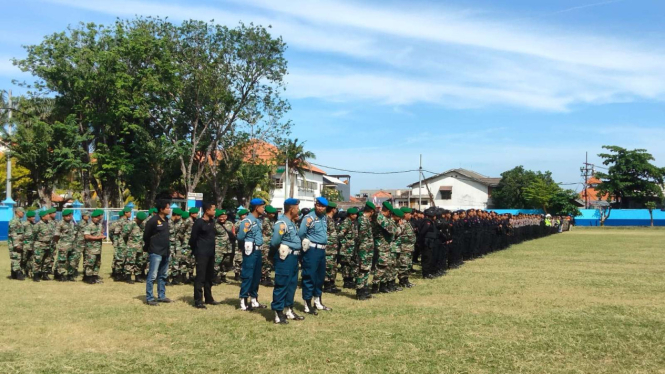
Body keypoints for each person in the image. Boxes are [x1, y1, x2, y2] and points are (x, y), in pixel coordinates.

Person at [270, 198, 305, 324]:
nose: (298, 210)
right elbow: (274, 242)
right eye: (297, 207)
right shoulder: (282, 223)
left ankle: (288, 309)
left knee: (291, 284)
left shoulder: (291, 222)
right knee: (282, 284)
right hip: (285, 257)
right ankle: (278, 312)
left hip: (294, 257)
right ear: (291, 209)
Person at [299, 196, 331, 314]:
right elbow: (301, 233)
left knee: (320, 277)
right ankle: (307, 304)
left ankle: (317, 301)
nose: (320, 208)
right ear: (315, 205)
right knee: (309, 276)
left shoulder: (324, 217)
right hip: (312, 249)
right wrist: (306, 242)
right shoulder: (309, 217)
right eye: (318, 205)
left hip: (321, 250)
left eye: (322, 206)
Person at [236, 199, 268, 311]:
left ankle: (254, 299)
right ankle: (243, 300)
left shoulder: (257, 220)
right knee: (248, 275)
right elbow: (240, 237)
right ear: (256, 207)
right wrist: (245, 246)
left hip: (258, 251)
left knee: (256, 276)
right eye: (262, 207)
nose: (264, 209)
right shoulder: (247, 221)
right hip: (251, 250)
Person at [190, 202, 220, 309]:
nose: (215, 211)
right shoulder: (198, 222)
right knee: (200, 277)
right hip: (201, 253)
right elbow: (193, 239)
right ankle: (198, 300)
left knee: (209, 277)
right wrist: (196, 250)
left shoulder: (212, 222)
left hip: (211, 253)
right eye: (213, 209)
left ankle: (209, 298)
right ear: (207, 210)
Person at [143, 201, 172, 306]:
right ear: (161, 209)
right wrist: (149, 247)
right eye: (168, 208)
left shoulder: (166, 220)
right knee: (152, 275)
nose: (169, 210)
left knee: (163, 275)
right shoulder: (153, 221)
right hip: (156, 251)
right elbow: (146, 236)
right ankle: (150, 298)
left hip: (165, 251)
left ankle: (161, 296)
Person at [355, 202, 376, 300]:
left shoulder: (366, 220)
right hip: (364, 249)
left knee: (366, 269)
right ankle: (360, 291)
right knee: (362, 270)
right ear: (371, 211)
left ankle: (365, 289)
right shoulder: (362, 220)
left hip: (367, 249)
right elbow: (362, 236)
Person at [124, 212, 148, 284]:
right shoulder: (131, 224)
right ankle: (128, 277)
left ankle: (138, 277)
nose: (141, 221)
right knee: (130, 262)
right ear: (136, 218)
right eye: (140, 220)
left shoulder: (143, 224)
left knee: (139, 262)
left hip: (140, 247)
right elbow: (124, 235)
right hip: (131, 247)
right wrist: (129, 243)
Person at [338, 207, 359, 289]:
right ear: (350, 215)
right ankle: (347, 282)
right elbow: (340, 234)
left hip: (352, 247)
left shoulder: (352, 222)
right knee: (346, 265)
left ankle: (350, 280)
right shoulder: (346, 222)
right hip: (347, 248)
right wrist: (345, 243)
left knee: (351, 264)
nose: (356, 216)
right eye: (354, 214)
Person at [83, 209, 105, 284]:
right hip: (90, 248)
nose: (96, 219)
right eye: (94, 218)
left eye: (97, 218)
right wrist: (97, 238)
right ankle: (88, 278)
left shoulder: (99, 225)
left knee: (97, 263)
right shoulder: (89, 226)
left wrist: (102, 236)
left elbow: (100, 233)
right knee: (90, 263)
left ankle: (94, 276)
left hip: (98, 248)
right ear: (92, 218)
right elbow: (86, 236)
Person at [53, 209, 76, 281]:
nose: (69, 217)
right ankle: (60, 274)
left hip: (72, 245)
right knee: (62, 260)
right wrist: (59, 244)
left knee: (71, 260)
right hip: (63, 245)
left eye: (70, 215)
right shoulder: (60, 223)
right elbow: (56, 235)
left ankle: (70, 274)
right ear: (63, 216)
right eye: (67, 216)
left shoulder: (72, 223)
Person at [324, 202, 341, 294]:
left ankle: (331, 284)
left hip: (333, 248)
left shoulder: (331, 219)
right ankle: (327, 285)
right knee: (328, 267)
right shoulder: (326, 219)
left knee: (333, 267)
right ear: (333, 209)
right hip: (328, 248)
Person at [31, 210, 53, 282]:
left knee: (47, 260)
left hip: (48, 245)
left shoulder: (50, 224)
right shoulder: (38, 225)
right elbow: (33, 236)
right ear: (43, 217)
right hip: (40, 245)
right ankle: (36, 275)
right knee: (38, 260)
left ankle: (45, 274)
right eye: (47, 215)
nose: (49, 216)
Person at [213, 209, 233, 285]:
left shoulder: (230, 224)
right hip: (218, 247)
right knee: (216, 263)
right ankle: (215, 278)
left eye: (224, 216)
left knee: (226, 263)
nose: (222, 218)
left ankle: (223, 277)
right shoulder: (214, 224)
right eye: (221, 217)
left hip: (228, 247)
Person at [260, 205, 278, 287]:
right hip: (265, 243)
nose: (273, 215)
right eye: (271, 213)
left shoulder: (271, 221)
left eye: (274, 213)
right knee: (265, 261)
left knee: (269, 261)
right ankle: (264, 278)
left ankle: (267, 277)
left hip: (270, 243)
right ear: (267, 213)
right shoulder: (265, 220)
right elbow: (266, 232)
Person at [8, 207, 26, 280]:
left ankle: (14, 274)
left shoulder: (19, 221)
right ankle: (17, 273)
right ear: (18, 212)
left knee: (18, 258)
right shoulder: (14, 221)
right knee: (16, 258)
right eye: (22, 212)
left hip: (19, 242)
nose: (23, 214)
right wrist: (16, 244)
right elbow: (13, 233)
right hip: (14, 243)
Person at [71, 211, 90, 280]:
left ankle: (86, 271)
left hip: (87, 243)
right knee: (76, 258)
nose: (88, 217)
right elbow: (74, 233)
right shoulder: (79, 224)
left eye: (89, 216)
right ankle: (74, 271)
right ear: (83, 216)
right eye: (87, 215)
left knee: (86, 257)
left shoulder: (89, 224)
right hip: (79, 243)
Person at [233, 209, 249, 281]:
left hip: (247, 243)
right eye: (243, 215)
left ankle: (243, 273)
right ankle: (237, 274)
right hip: (239, 242)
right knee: (238, 259)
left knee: (245, 258)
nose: (244, 216)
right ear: (240, 216)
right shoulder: (238, 223)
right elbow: (234, 232)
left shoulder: (249, 223)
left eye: (246, 215)